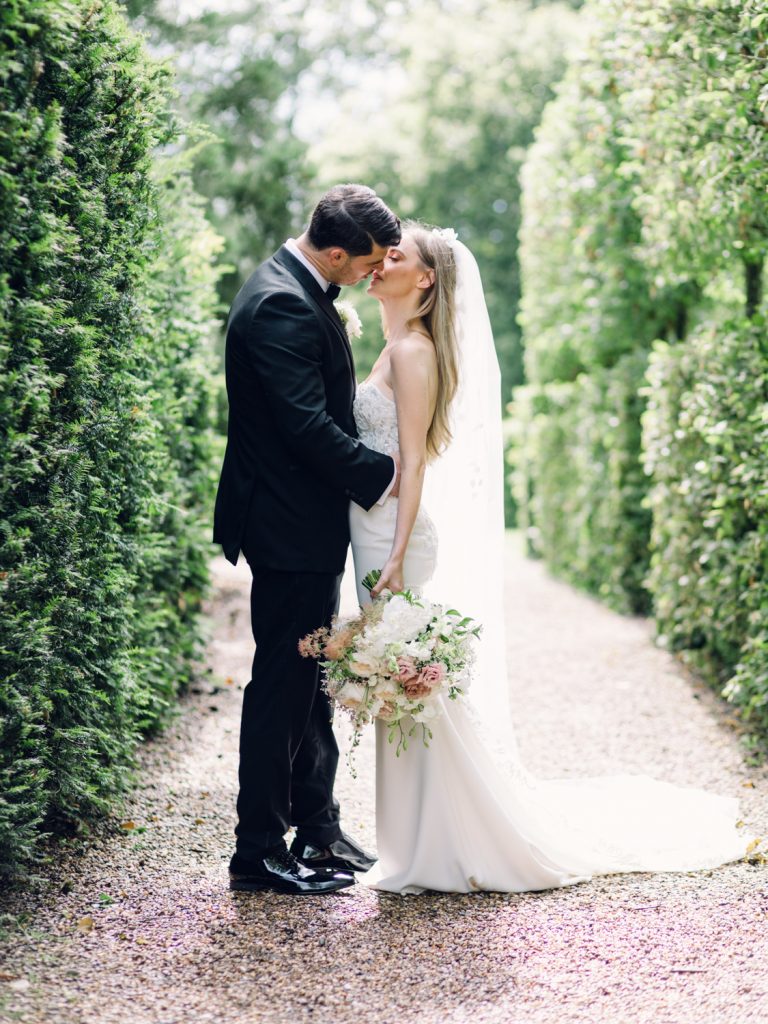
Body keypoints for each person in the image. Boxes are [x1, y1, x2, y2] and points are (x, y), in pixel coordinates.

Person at [348, 221, 754, 894]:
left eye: (396, 255)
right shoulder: (397, 346)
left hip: (392, 537)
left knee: (409, 682)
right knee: (404, 683)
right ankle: (421, 840)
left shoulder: (413, 352)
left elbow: (414, 464)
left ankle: (442, 843)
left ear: (424, 279)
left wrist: (394, 556)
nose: (379, 261)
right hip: (375, 531)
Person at [213, 184, 402, 895]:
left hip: (303, 519)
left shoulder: (298, 286)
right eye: (370, 262)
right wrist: (386, 474)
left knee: (310, 675)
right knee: (282, 685)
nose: (375, 272)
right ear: (336, 252)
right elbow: (304, 427)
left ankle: (317, 827)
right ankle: (258, 850)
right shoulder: (281, 304)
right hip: (287, 525)